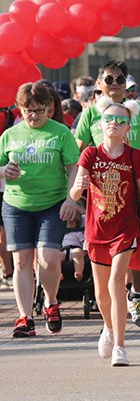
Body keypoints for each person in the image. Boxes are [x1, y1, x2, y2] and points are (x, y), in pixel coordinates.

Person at [70, 99, 140, 366]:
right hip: (96, 229)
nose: (115, 123)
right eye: (110, 119)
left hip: (125, 230)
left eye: (121, 121)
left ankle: (121, 347)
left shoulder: (135, 156)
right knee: (101, 291)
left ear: (128, 128)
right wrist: (78, 187)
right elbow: (75, 193)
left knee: (116, 282)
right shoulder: (90, 155)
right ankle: (109, 327)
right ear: (100, 125)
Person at [75, 60, 140, 329]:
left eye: (120, 79)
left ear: (126, 83)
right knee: (105, 265)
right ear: (100, 83)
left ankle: (135, 296)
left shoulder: (138, 111)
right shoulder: (91, 113)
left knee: (139, 244)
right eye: (109, 79)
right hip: (104, 195)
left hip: (134, 188)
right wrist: (82, 179)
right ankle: (110, 317)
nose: (115, 84)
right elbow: (79, 148)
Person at [1, 82, 83, 337]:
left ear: (49, 108)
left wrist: (71, 199)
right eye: (28, 111)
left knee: (48, 258)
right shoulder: (10, 136)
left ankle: (50, 301)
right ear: (19, 109)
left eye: (39, 110)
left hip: (53, 204)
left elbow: (74, 167)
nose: (34, 116)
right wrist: (3, 171)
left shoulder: (60, 132)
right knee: (21, 261)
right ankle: (25, 317)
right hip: (17, 205)